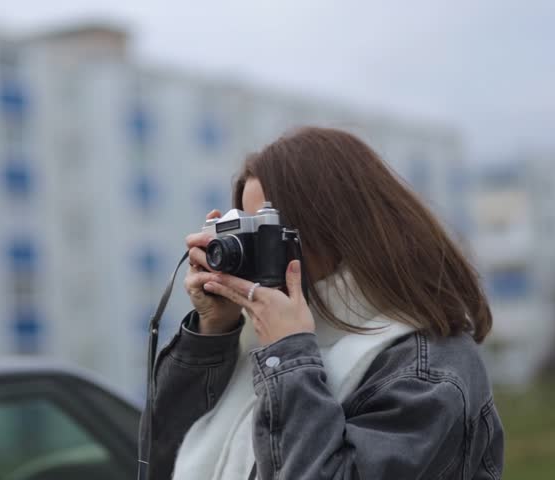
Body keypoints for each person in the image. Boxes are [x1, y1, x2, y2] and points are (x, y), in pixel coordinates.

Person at [138, 127, 504, 480]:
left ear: (336, 229)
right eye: (247, 233)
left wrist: (289, 354)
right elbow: (158, 456)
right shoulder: (256, 341)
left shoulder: (427, 369)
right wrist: (212, 334)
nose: (251, 253)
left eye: (267, 229)